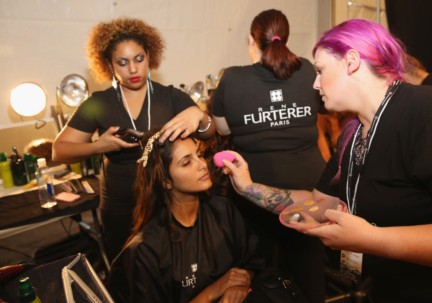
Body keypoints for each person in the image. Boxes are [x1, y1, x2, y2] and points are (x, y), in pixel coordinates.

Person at [220, 19, 432, 303]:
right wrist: (248, 187)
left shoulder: (422, 112)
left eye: (320, 70)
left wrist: (370, 239)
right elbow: (317, 203)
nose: (314, 83)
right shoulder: (353, 133)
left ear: (352, 62)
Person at [52, 18, 215, 261]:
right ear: (109, 64)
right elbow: (59, 151)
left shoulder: (170, 97)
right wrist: (99, 146)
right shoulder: (99, 102)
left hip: (167, 198)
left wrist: (199, 116)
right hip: (120, 202)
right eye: (123, 62)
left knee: (173, 263)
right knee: (127, 266)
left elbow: (209, 133)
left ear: (149, 56)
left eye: (139, 59)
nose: (133, 69)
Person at [211, 9, 326, 303]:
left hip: (256, 196)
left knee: (260, 278)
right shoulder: (308, 70)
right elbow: (325, 110)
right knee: (308, 274)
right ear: (285, 38)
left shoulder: (233, 78)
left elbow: (222, 127)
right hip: (311, 192)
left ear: (252, 39)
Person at [106, 130, 264, 303]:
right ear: (166, 180)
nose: (202, 165)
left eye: (199, 155)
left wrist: (240, 284)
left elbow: (253, 261)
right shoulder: (146, 249)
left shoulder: (223, 210)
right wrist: (214, 291)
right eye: (187, 162)